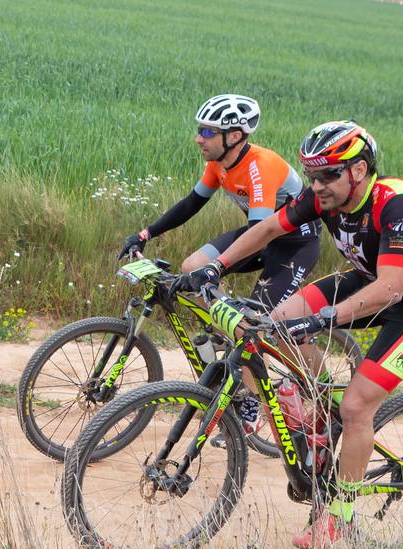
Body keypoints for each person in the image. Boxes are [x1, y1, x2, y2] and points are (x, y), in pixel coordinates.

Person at [177, 120, 403, 549]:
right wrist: (215, 265)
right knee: (275, 324)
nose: (318, 185)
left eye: (329, 174)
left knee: (356, 405)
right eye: (312, 175)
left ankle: (341, 515)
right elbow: (269, 229)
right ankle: (319, 410)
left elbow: (392, 289)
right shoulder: (324, 197)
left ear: (360, 170)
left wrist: (324, 318)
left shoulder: (396, 204)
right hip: (370, 281)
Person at [119, 94, 321, 435]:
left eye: (207, 132)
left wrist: (220, 294)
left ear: (235, 136)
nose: (199, 138)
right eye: (200, 130)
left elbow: (259, 231)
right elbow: (191, 204)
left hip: (293, 245)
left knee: (250, 325)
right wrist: (144, 234)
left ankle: (265, 400)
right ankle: (226, 339)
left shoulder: (261, 165)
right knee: (191, 267)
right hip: (259, 235)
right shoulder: (219, 163)